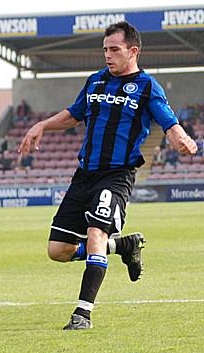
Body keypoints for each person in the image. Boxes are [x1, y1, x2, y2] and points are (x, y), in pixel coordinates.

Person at [18, 21, 197, 330]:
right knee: (58, 251)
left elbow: (168, 121)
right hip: (84, 173)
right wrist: (42, 124)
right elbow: (74, 115)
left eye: (114, 50)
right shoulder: (95, 82)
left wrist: (180, 137)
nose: (108, 56)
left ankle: (82, 314)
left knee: (96, 234)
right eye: (105, 50)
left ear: (133, 51)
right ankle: (125, 246)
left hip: (116, 175)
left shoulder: (146, 86)